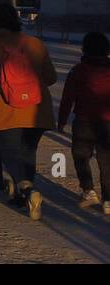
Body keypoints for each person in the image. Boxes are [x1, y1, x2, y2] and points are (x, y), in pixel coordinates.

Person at [0, 2, 56, 220]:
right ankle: (23, 196)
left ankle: (28, 191)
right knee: (28, 153)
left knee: (10, 154)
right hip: (37, 110)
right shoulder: (35, 43)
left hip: (6, 109)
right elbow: (51, 78)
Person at [57, 31, 110, 213]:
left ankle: (88, 190)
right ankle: (108, 199)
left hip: (84, 121)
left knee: (81, 156)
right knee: (107, 161)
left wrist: (61, 121)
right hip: (108, 123)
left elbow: (67, 98)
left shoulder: (78, 70)